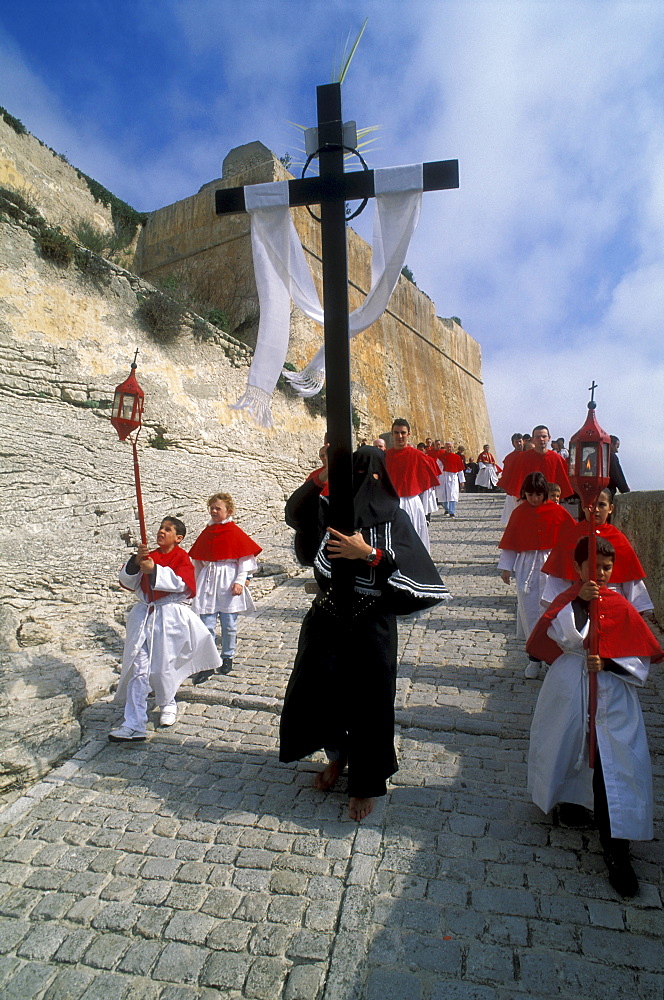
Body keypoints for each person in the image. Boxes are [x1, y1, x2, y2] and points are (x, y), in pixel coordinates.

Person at [279, 446, 450, 821]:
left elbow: (410, 567)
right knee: (321, 694)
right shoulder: (330, 512)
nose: (363, 484)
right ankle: (337, 757)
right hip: (326, 618)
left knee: (371, 705)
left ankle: (367, 782)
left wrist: (367, 552)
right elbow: (296, 515)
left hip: (372, 623)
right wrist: (321, 477)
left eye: (369, 476)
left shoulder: (395, 518)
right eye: (354, 475)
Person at [527, 536, 663, 897]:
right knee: (568, 745)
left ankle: (618, 850)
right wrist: (581, 605)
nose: (601, 573)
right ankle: (571, 802)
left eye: (607, 568)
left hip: (614, 696)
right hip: (571, 685)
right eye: (594, 566)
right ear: (578, 568)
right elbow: (562, 635)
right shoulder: (568, 601)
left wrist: (610, 662)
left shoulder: (621, 605)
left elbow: (641, 660)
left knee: (615, 765)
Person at [110, 517, 221, 742]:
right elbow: (129, 582)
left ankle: (168, 702)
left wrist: (155, 570)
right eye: (161, 527)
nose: (161, 531)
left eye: (168, 529)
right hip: (143, 616)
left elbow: (184, 584)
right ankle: (134, 723)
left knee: (162, 668)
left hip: (167, 618)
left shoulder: (181, 557)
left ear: (178, 538)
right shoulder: (148, 554)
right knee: (138, 669)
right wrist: (135, 563)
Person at [498, 472, 575, 678]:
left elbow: (572, 538)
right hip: (527, 567)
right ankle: (534, 659)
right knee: (530, 611)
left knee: (552, 612)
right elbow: (510, 542)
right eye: (530, 494)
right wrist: (507, 567)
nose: (534, 499)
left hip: (552, 567)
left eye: (538, 495)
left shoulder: (557, 512)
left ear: (545, 493)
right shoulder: (519, 512)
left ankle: (552, 657)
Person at [540, 488, 653, 613]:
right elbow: (558, 583)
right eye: (591, 505)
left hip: (614, 605)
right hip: (577, 602)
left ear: (610, 509)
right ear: (583, 507)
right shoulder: (570, 537)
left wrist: (637, 611)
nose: (596, 510)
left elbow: (631, 585)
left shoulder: (619, 539)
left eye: (601, 505)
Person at [188, 492, 262, 682]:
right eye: (211, 508)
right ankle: (209, 662)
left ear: (228, 511)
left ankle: (227, 656)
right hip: (208, 580)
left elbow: (245, 560)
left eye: (217, 508)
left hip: (228, 580)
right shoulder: (207, 532)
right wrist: (196, 584)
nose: (213, 511)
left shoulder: (234, 531)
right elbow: (197, 561)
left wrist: (240, 581)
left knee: (229, 624)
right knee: (207, 625)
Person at [385, 418, 439, 550]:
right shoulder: (383, 456)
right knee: (392, 541)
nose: (400, 436)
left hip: (412, 503)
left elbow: (426, 485)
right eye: (396, 433)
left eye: (403, 433)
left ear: (408, 434)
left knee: (414, 539)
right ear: (392, 434)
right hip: (389, 503)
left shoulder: (418, 456)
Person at [498, 425, 574, 500]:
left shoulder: (557, 458)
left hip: (550, 500)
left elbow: (563, 483)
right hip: (529, 501)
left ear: (549, 438)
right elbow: (517, 482)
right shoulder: (523, 458)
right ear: (533, 439)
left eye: (544, 436)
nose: (541, 439)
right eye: (537, 437)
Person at [437, 441, 466, 516]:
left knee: (452, 495)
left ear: (453, 448)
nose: (449, 448)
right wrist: (436, 478)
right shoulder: (440, 457)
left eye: (450, 447)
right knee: (443, 495)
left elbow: (460, 470)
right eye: (447, 447)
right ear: (445, 447)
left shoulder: (457, 457)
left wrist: (462, 481)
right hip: (443, 477)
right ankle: (446, 509)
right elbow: (437, 468)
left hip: (452, 477)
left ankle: (451, 511)